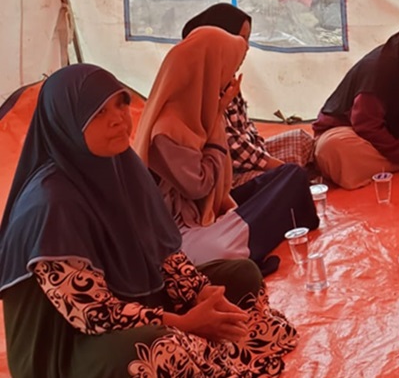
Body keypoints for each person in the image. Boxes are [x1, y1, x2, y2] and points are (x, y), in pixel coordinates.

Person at [0, 64, 297, 378]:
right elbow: (94, 315)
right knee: (156, 349)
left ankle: (207, 353)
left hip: (138, 311)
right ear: (67, 122)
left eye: (121, 104)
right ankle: (201, 351)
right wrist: (186, 323)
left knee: (241, 275)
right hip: (66, 349)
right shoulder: (48, 204)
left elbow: (163, 254)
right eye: (98, 112)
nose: (118, 118)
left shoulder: (123, 167)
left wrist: (201, 293)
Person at [135, 27, 318, 271]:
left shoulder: (195, 109)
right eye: (227, 69)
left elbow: (217, 196)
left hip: (206, 212)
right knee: (221, 249)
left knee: (292, 175)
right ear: (209, 72)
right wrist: (218, 117)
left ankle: (249, 237)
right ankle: (245, 252)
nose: (230, 77)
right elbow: (201, 188)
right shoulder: (166, 131)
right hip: (184, 234)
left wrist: (217, 110)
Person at [182, 3, 316, 188]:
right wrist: (279, 167)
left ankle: (295, 179)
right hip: (227, 176)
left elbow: (246, 128)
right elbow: (232, 148)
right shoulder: (201, 86)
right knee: (283, 179)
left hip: (251, 159)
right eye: (241, 39)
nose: (246, 47)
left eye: (248, 39)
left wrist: (266, 155)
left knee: (300, 139)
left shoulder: (228, 77)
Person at [313, 16, 399, 189]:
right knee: (332, 150)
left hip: (396, 132)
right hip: (354, 131)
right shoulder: (381, 69)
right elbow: (366, 125)